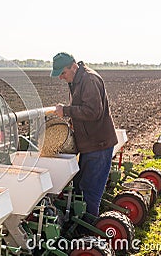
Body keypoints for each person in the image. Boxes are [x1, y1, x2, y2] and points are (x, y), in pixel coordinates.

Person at [50, 52, 118, 217]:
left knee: (90, 192)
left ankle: (90, 234)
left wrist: (66, 111)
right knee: (80, 186)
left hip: (99, 145)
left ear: (73, 66)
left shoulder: (89, 79)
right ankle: (84, 226)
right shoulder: (77, 80)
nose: (61, 77)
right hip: (90, 145)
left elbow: (93, 112)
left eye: (62, 73)